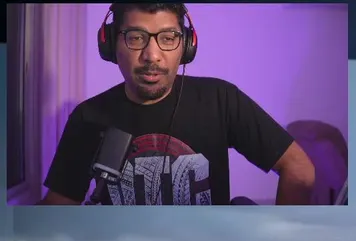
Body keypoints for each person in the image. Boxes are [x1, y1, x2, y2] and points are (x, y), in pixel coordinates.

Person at [39, 3, 316, 206]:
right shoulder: (88, 117)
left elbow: (299, 169)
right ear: (111, 44)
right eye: (136, 37)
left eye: (168, 38)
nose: (152, 55)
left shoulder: (221, 99)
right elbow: (58, 208)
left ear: (186, 46)